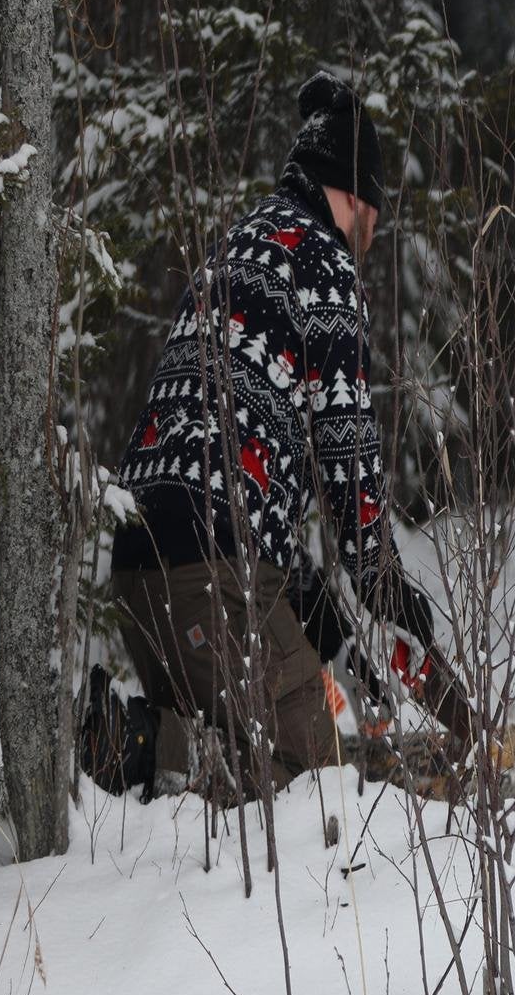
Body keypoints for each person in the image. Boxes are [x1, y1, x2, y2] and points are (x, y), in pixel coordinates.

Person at [106, 76, 455, 799]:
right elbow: (350, 472)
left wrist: (333, 633)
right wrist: (390, 593)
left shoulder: (238, 244)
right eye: (376, 216)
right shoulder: (325, 269)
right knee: (312, 782)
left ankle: (147, 748)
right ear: (357, 198)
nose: (371, 235)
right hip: (209, 574)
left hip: (140, 567)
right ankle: (138, 747)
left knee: (235, 761)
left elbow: (243, 484)